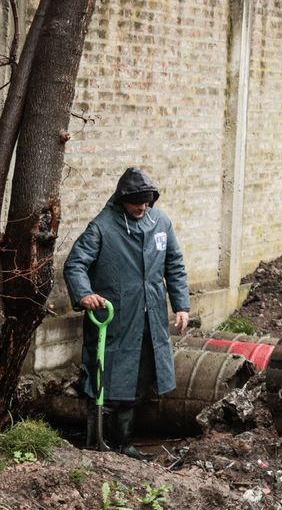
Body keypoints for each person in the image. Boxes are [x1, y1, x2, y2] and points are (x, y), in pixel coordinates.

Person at [63, 167, 190, 460]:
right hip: (114, 318)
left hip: (150, 317)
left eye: (147, 202)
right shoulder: (102, 227)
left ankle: (124, 444)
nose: (142, 208)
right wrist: (85, 294)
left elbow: (175, 264)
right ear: (122, 199)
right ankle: (98, 441)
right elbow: (76, 264)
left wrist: (181, 305)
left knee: (139, 380)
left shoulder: (161, 223)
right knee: (104, 380)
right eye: (136, 203)